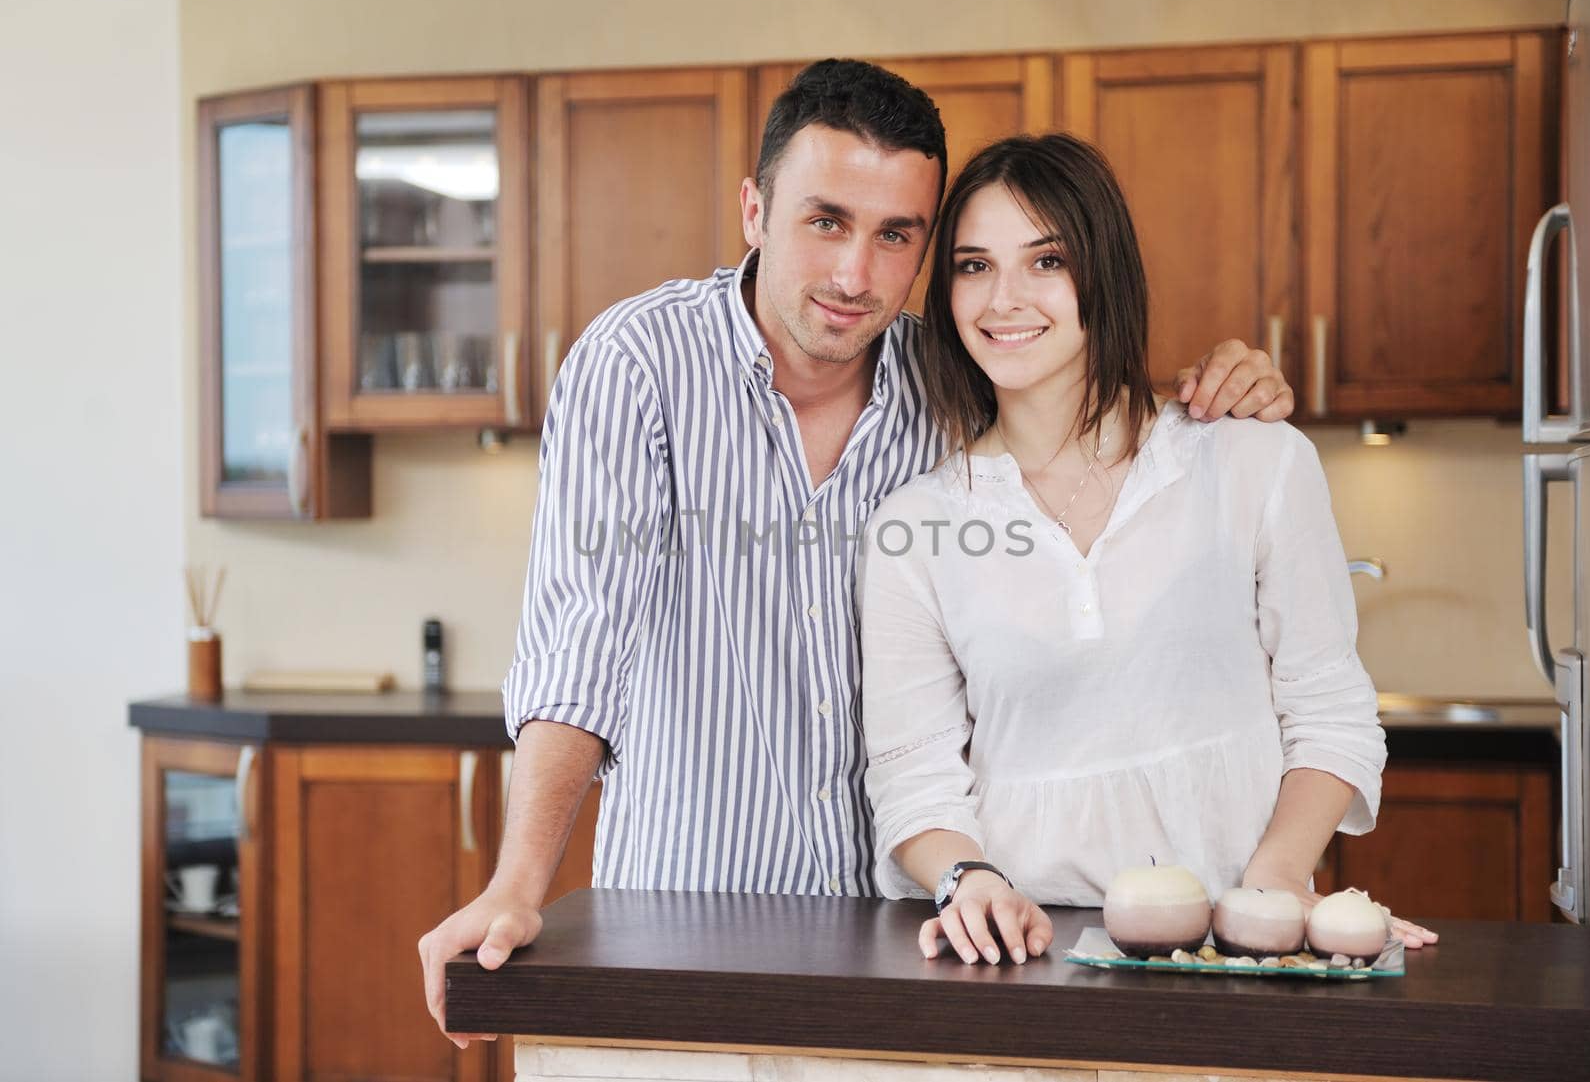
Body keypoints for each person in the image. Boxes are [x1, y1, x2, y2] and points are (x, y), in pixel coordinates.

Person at [418, 60, 1296, 1045]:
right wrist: (515, 885)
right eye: (825, 220)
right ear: (754, 208)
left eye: (896, 236)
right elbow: (583, 642)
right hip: (677, 930)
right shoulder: (636, 366)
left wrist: (1223, 387)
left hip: (908, 951)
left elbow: (1091, 412)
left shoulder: (954, 375)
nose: (855, 275)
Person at [858, 131, 1438, 968]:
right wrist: (967, 876)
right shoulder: (916, 528)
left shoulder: (1254, 462)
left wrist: (1275, 880)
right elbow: (913, 773)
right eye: (974, 265)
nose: (1003, 298)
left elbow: (1330, 712)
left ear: (1106, 271)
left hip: (1234, 949)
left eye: (1046, 260)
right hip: (1022, 958)